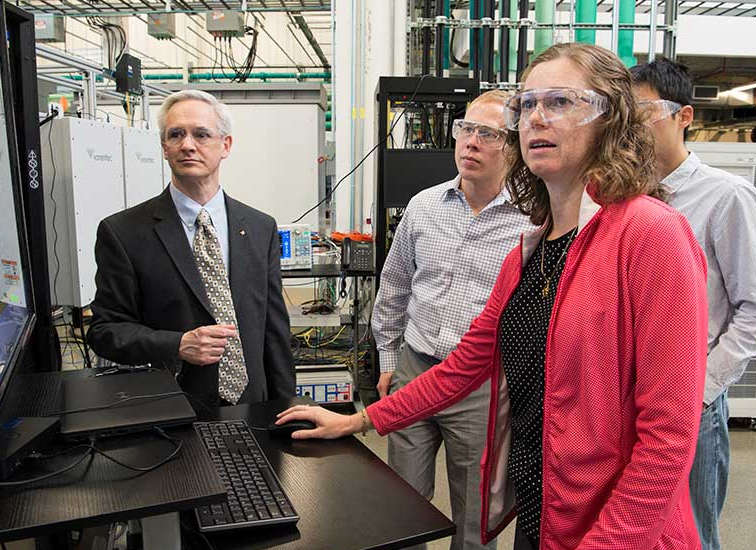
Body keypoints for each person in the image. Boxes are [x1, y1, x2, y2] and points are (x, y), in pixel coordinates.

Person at [278, 42, 708, 550]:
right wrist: (358, 420)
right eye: (527, 105)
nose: (536, 119)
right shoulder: (531, 248)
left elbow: (668, 439)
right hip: (541, 512)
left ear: (609, 119)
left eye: (561, 102)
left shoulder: (650, 233)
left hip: (616, 532)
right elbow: (463, 367)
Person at [372, 90, 535, 550]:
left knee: (474, 515)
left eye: (487, 133)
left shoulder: (532, 219)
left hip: (480, 386)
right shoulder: (424, 206)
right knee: (402, 504)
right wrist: (388, 359)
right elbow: (395, 287)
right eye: (465, 129)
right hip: (415, 367)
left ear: (514, 144)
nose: (470, 142)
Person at [631, 58, 756, 550]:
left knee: (691, 535)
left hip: (691, 405)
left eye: (645, 111)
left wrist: (700, 388)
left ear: (684, 117)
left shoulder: (726, 196)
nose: (632, 125)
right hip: (629, 401)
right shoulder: (620, 199)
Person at [87, 89, 295, 405]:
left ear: (225, 145)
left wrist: (285, 407)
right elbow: (105, 331)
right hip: (171, 411)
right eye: (176, 135)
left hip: (254, 408)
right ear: (164, 147)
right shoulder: (124, 233)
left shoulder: (259, 227)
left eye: (201, 134)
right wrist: (177, 344)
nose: (187, 145)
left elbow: (274, 331)